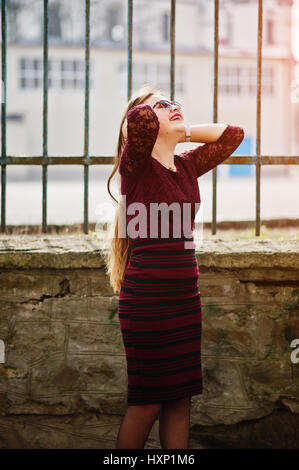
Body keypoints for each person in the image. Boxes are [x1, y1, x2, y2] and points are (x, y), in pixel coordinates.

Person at [106, 84, 244, 449]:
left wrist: (182, 128)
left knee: (180, 402)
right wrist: (154, 115)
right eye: (161, 106)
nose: (172, 107)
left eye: (174, 103)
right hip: (147, 305)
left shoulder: (186, 165)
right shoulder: (134, 165)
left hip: (186, 304)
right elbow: (136, 120)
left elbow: (233, 135)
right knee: (146, 404)